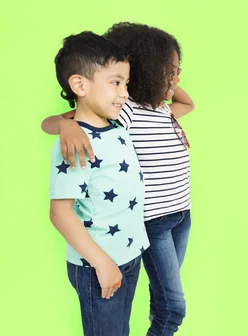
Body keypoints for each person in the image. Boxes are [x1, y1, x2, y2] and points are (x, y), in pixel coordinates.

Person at [42, 22, 195, 336]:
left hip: (168, 222)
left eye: (178, 71)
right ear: (150, 70)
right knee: (170, 307)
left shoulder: (158, 110)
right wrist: (65, 125)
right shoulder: (125, 114)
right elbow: (54, 124)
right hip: (149, 225)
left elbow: (188, 103)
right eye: (169, 70)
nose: (176, 79)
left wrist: (169, 76)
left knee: (158, 302)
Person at [49, 31, 149, 335]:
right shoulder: (77, 142)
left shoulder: (116, 124)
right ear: (79, 84)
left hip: (128, 255)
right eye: (115, 83)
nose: (124, 93)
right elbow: (60, 213)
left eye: (126, 84)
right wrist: (102, 264)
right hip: (98, 265)